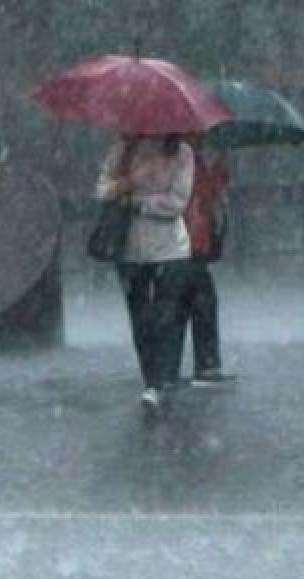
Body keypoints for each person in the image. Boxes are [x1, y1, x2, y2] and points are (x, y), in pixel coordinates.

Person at [96, 133, 195, 412]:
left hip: (171, 249)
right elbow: (101, 190)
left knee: (164, 316)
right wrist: (125, 184)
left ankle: (158, 382)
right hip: (129, 248)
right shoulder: (122, 149)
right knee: (140, 318)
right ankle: (152, 380)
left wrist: (139, 202)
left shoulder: (181, 152)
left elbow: (178, 202)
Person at [178, 137, 232, 384]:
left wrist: (220, 171)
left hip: (180, 248)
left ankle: (167, 369)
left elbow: (206, 195)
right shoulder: (186, 163)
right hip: (187, 247)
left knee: (178, 309)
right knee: (201, 305)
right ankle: (207, 365)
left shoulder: (184, 161)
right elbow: (205, 196)